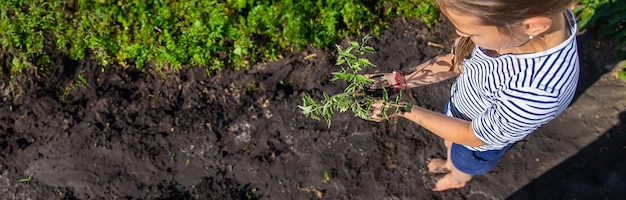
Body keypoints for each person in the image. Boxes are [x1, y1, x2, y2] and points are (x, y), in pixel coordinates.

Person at [367, 0, 579, 192]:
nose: (466, 38)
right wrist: (400, 80)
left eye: (473, 34)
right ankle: (450, 155)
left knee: (462, 161)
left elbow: (472, 135)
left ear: (533, 26)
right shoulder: (520, 25)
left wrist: (401, 108)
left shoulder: (538, 91)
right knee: (450, 141)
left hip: (476, 144)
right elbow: (458, 60)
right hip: (463, 111)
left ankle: (456, 177)